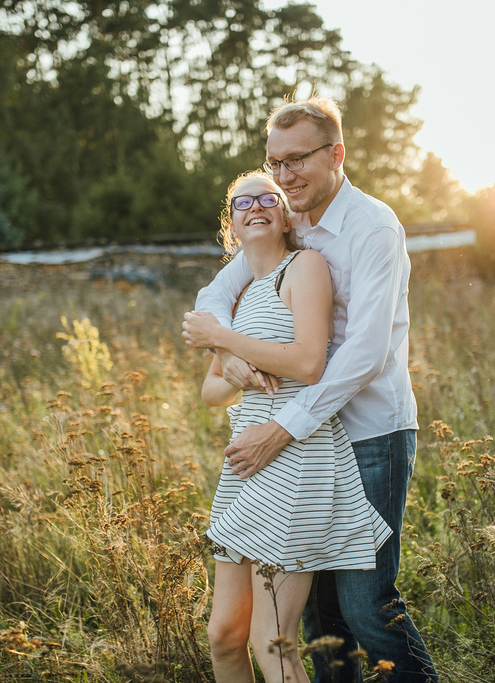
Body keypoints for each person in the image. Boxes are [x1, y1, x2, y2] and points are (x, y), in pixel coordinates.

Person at [186, 97, 438, 682]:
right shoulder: (288, 216)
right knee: (319, 617)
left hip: (370, 429)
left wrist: (283, 425)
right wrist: (226, 351)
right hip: (312, 442)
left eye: (297, 159)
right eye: (275, 163)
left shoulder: (372, 226)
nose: (284, 176)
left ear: (337, 154)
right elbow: (217, 294)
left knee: (364, 603)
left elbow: (365, 353)